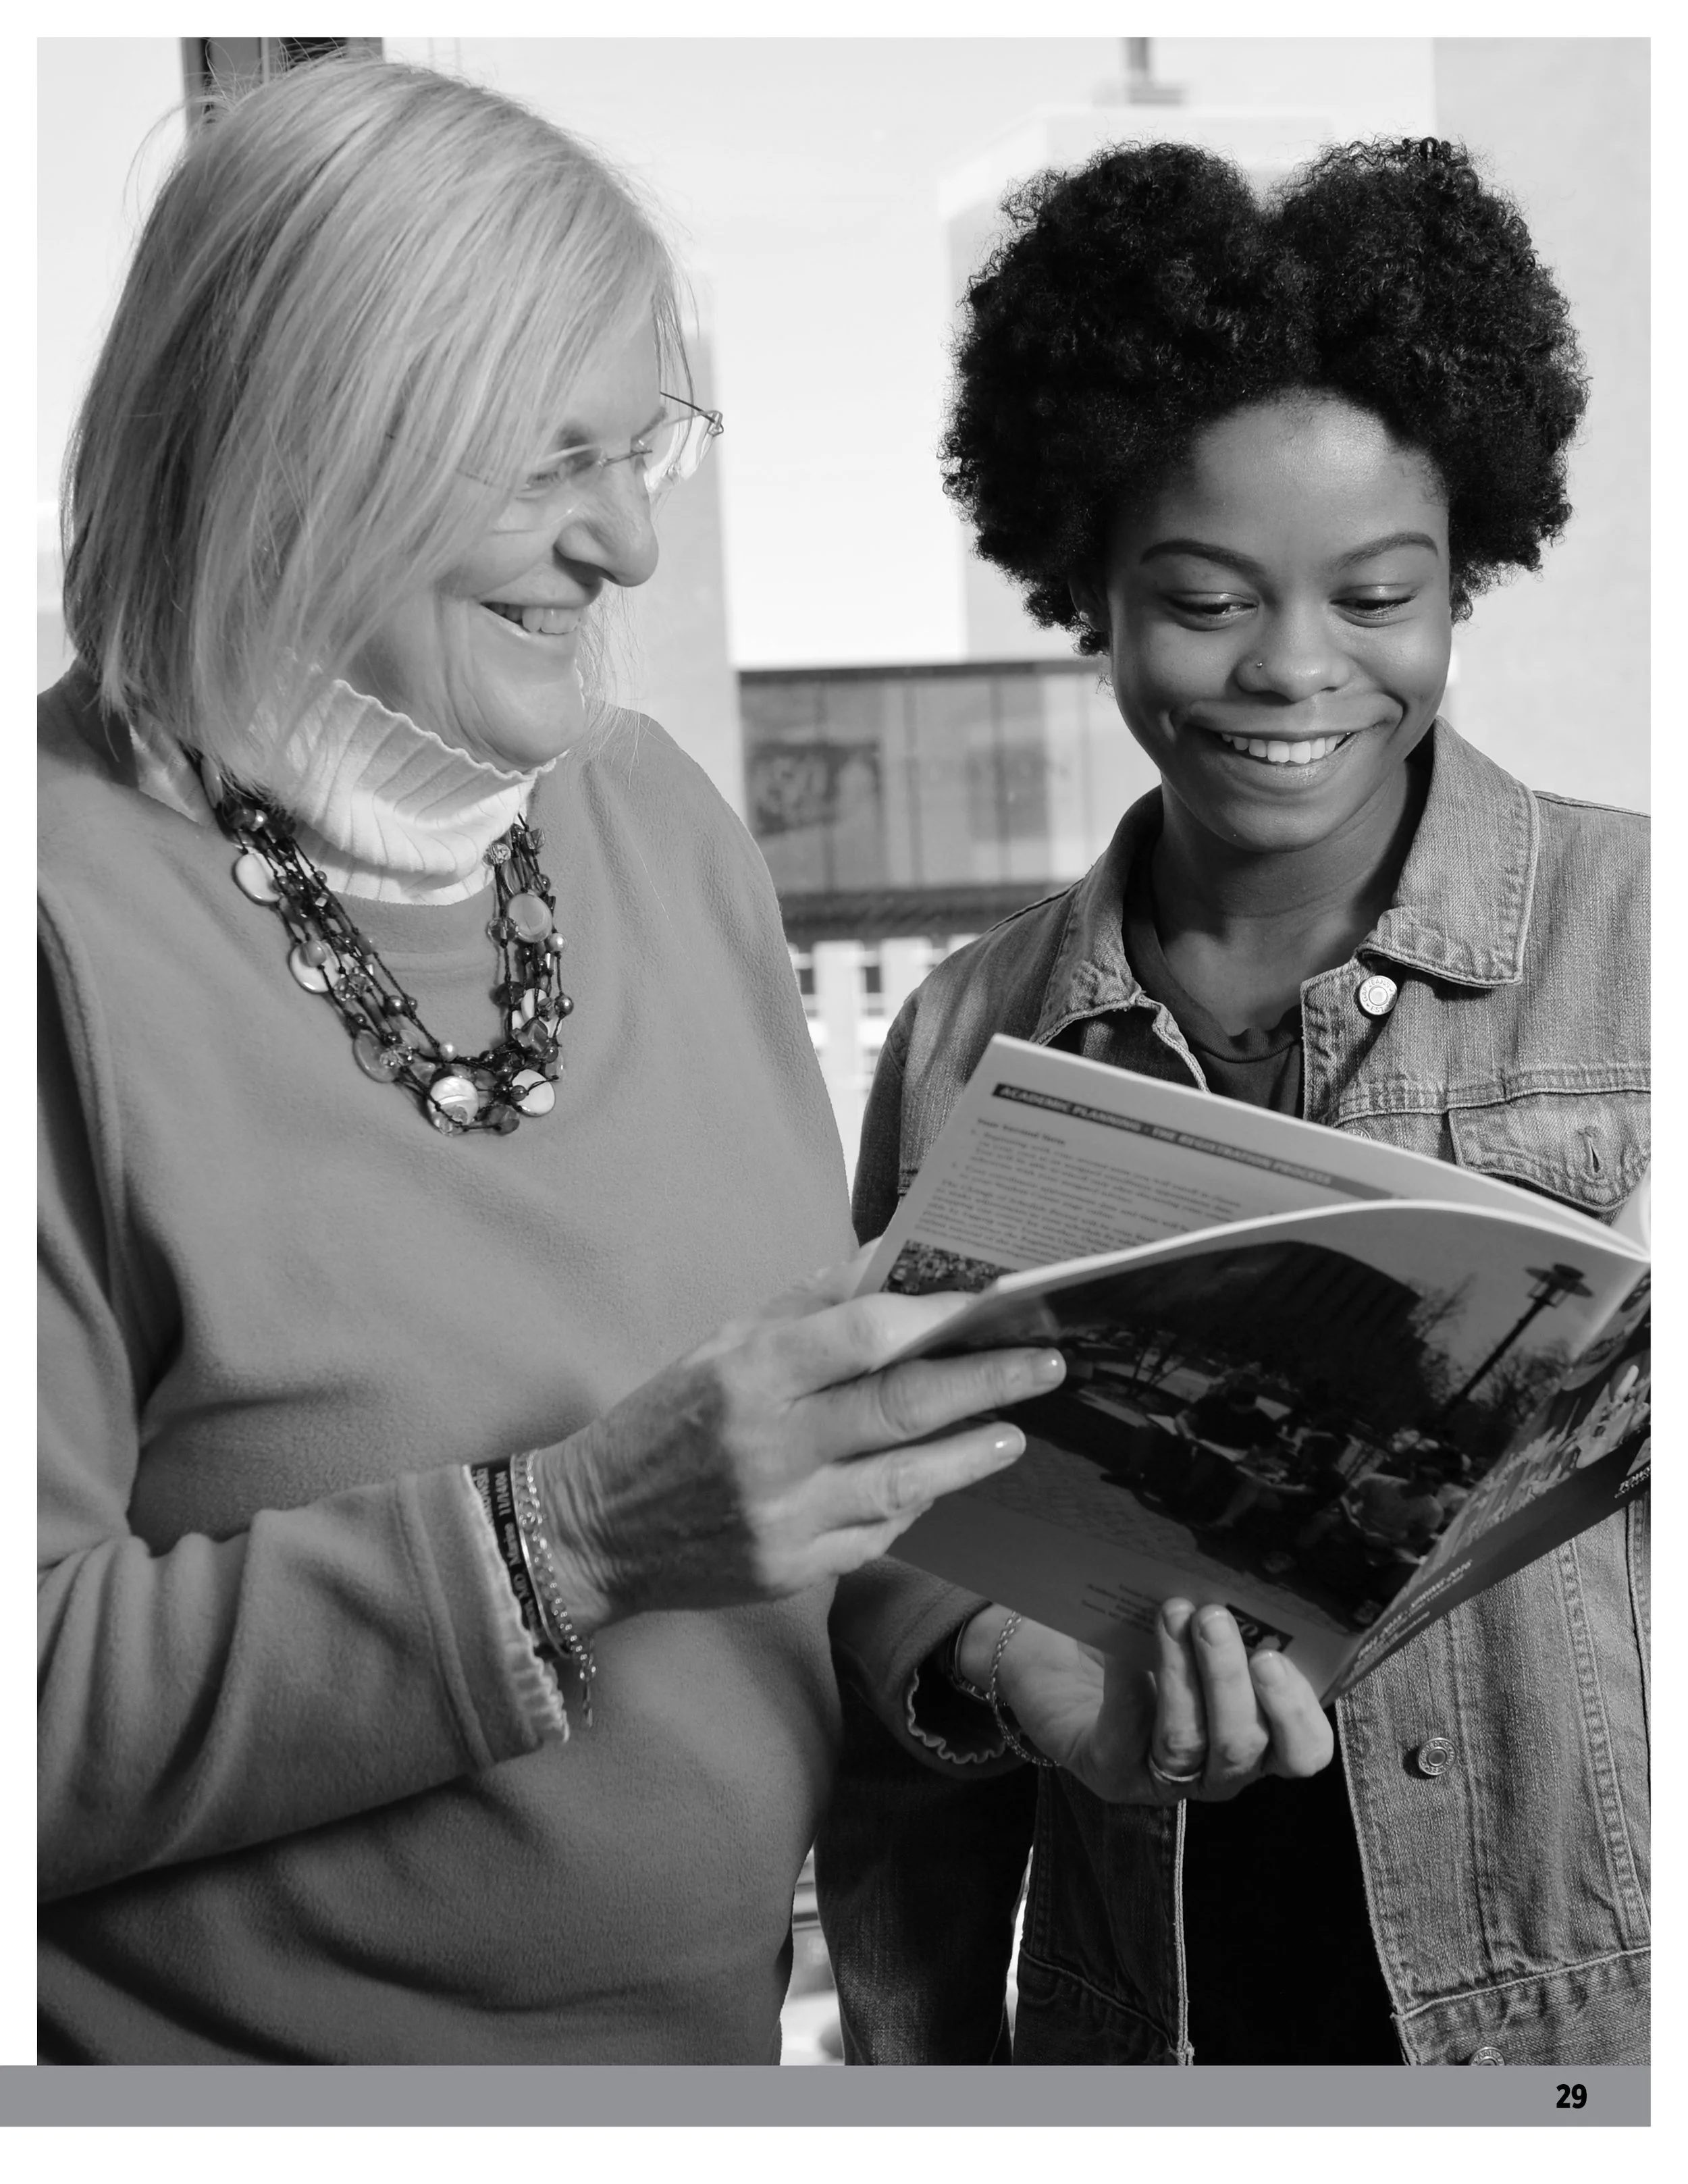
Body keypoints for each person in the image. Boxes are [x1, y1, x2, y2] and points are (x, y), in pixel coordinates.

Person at [38, 59, 1333, 2065]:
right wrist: (561, 1542)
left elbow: (775, 1483)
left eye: (645, 449)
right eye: (554, 464)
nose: (629, 546)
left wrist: (1002, 1664)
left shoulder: (647, 818)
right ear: (301, 440)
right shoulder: (52, 920)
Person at [816, 138, 1649, 2066]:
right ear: (1080, 587)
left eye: (1377, 594)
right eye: (1201, 599)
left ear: (1466, 577)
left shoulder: (1642, 942)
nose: (1294, 669)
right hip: (1156, 2040)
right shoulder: (966, 1035)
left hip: (1586, 2034)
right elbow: (879, 1587)